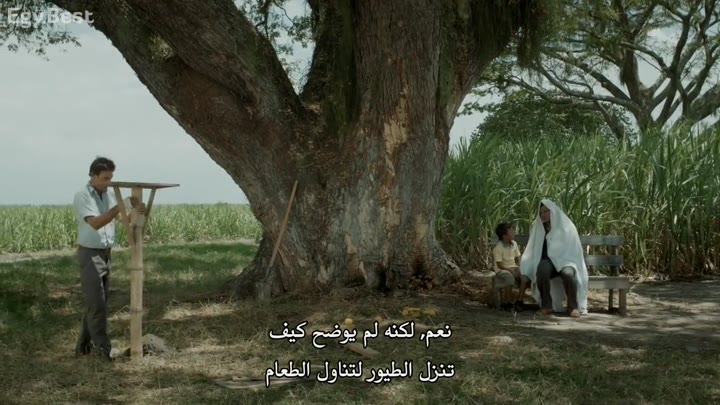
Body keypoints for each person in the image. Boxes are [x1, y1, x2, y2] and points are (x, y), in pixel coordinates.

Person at [72, 157, 144, 360]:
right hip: (90, 253)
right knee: (97, 305)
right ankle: (103, 352)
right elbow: (95, 223)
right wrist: (119, 206)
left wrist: (136, 212)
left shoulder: (110, 195)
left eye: (111, 177)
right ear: (92, 175)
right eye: (105, 178)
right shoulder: (83, 195)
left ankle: (83, 347)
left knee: (97, 303)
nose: (109, 182)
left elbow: (123, 219)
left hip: (105, 253)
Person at [518, 199, 589, 318]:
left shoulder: (567, 226)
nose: (543, 215)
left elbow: (573, 250)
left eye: (546, 211)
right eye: (541, 213)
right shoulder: (538, 228)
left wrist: (562, 259)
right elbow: (534, 248)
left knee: (568, 273)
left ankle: (572, 307)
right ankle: (547, 306)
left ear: (552, 211)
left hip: (566, 261)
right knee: (542, 270)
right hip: (548, 261)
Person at [492, 223, 525, 310]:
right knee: (509, 278)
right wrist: (511, 270)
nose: (514, 233)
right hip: (502, 269)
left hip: (513, 266)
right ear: (504, 236)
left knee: (524, 276)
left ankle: (519, 300)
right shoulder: (498, 247)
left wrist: (520, 267)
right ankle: (508, 302)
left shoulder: (514, 244)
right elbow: (499, 265)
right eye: (511, 231)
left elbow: (518, 257)